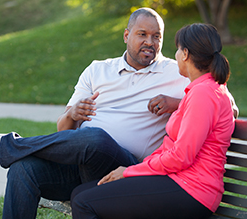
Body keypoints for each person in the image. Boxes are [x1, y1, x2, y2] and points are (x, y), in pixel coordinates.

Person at [70, 23, 235, 219]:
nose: (175, 55)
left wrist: (130, 171)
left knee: (84, 202)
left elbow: (181, 157)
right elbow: (173, 150)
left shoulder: (204, 94)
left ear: (185, 54)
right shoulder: (200, 90)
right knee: (79, 193)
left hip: (192, 190)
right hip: (178, 181)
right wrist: (136, 170)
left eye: (177, 49)